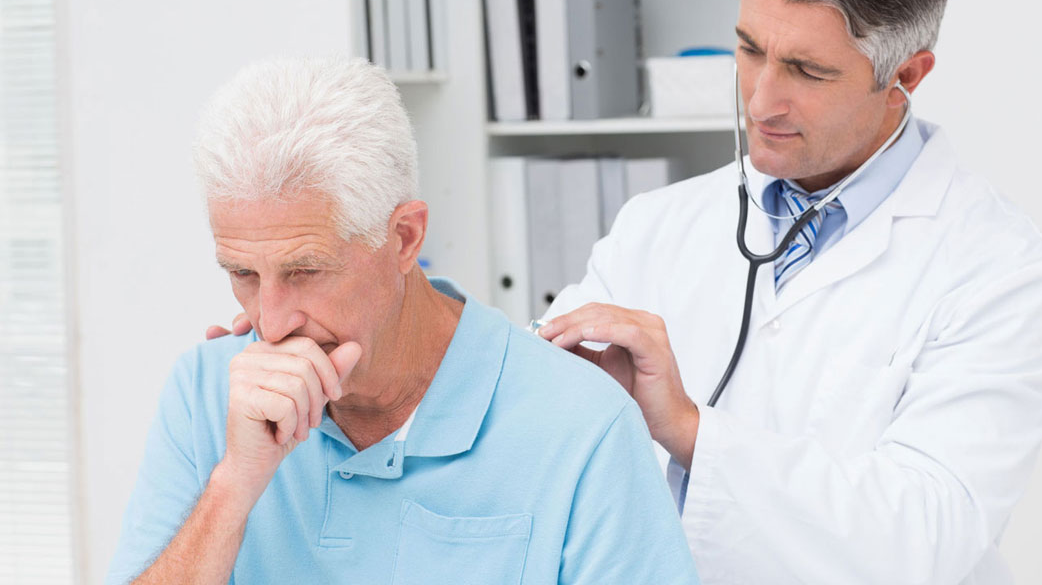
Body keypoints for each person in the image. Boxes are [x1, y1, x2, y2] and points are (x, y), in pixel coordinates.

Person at [537, 0, 1042, 583]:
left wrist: (689, 431)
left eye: (808, 71)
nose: (761, 101)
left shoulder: (1001, 271)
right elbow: (543, 419)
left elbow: (928, 534)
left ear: (906, 76)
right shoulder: (656, 224)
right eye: (748, 49)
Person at [107, 57, 698, 585]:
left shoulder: (579, 421)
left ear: (405, 238)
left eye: (305, 271)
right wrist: (233, 487)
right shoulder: (204, 393)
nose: (273, 322)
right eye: (243, 273)